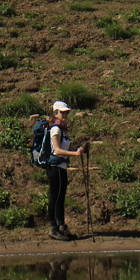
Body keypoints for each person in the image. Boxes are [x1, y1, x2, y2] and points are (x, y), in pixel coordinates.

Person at [42, 99, 87, 241]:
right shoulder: (55, 129)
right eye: (62, 113)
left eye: (66, 113)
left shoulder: (61, 129)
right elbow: (57, 150)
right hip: (55, 168)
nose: (65, 115)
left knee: (60, 198)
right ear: (55, 113)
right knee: (55, 198)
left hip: (61, 167)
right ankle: (54, 228)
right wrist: (75, 154)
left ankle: (61, 226)